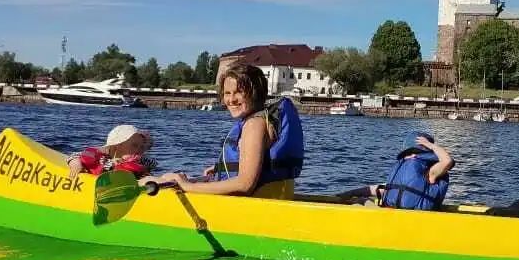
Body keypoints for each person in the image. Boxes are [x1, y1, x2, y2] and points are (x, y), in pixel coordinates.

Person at [149, 63, 304, 199]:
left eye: (238, 92)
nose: (231, 99)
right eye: (227, 93)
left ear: (255, 92)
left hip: (253, 208)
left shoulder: (254, 125)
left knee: (167, 181)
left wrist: (187, 186)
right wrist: (221, 168)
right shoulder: (263, 119)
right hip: (272, 197)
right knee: (170, 178)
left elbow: (244, 185)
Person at [335, 132, 454, 210]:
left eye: (410, 153)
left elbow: (447, 161)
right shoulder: (406, 167)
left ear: (419, 154)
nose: (406, 157)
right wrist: (351, 193)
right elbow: (384, 189)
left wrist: (431, 145)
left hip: (411, 219)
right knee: (361, 201)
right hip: (393, 215)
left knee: (358, 205)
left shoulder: (430, 172)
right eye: (406, 154)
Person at [66, 124, 156, 179]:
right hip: (111, 185)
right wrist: (76, 165)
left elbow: (150, 166)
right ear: (118, 144)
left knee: (166, 177)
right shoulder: (102, 158)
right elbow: (75, 155)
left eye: (141, 147)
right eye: (134, 145)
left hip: (144, 185)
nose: (138, 150)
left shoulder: (140, 161)